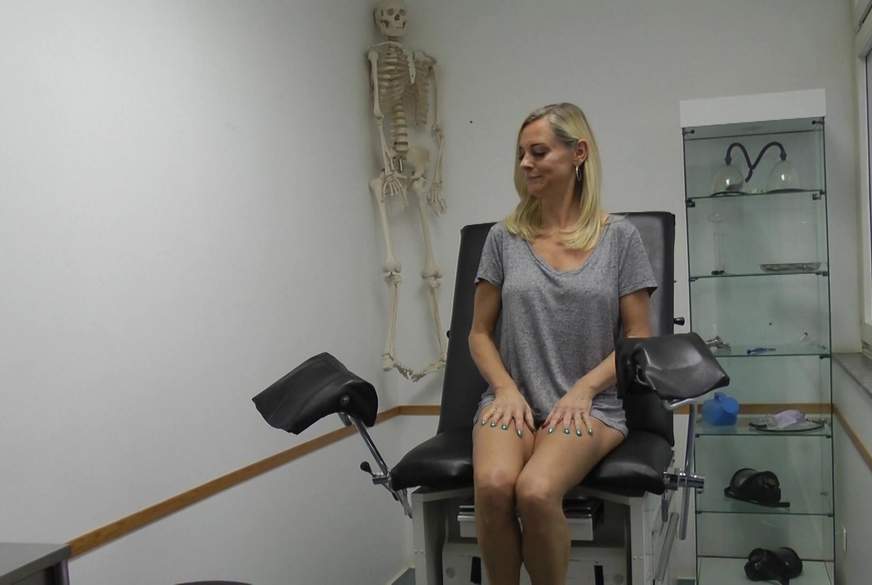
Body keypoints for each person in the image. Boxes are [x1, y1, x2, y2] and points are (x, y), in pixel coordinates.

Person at [468, 102, 657, 585]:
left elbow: (638, 336)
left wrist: (585, 389)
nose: (525, 164)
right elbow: (479, 333)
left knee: (534, 491)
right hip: (512, 399)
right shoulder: (503, 238)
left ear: (579, 153)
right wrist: (505, 389)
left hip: (590, 406)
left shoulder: (620, 238)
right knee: (492, 486)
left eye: (538, 152)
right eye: (521, 154)